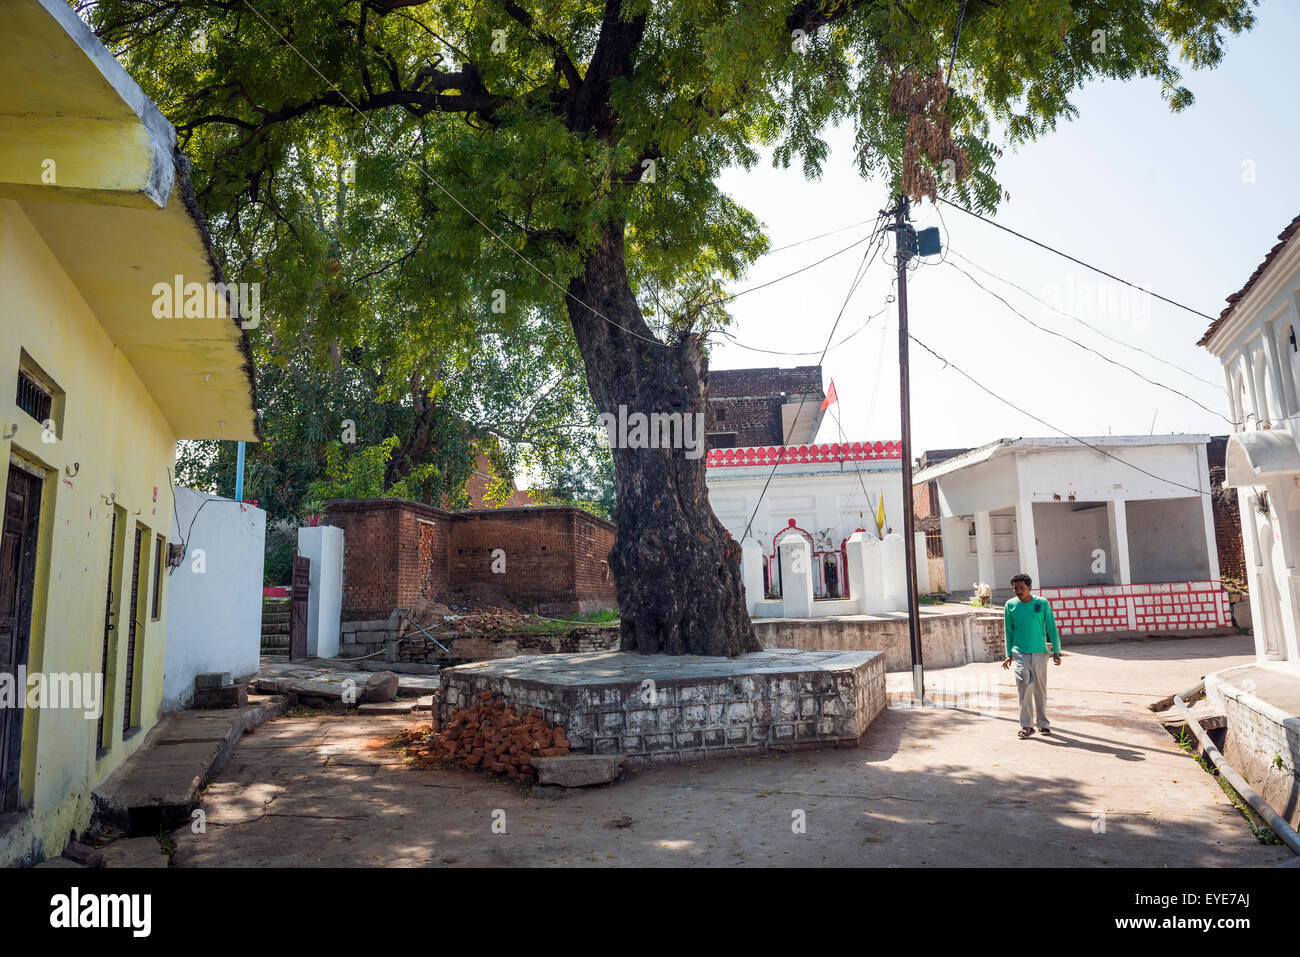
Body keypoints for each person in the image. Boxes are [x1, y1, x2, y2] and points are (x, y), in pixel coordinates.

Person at [1000, 572, 1061, 739]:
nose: (1018, 591)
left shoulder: (1042, 603)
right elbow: (1008, 631)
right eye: (1015, 589)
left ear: (1029, 588)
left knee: (1040, 689)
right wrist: (1008, 654)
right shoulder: (1010, 605)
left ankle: (1043, 724)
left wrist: (1056, 650)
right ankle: (1026, 726)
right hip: (1019, 652)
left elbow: (1051, 627)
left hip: (1040, 652)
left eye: (1022, 588)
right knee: (1023, 685)